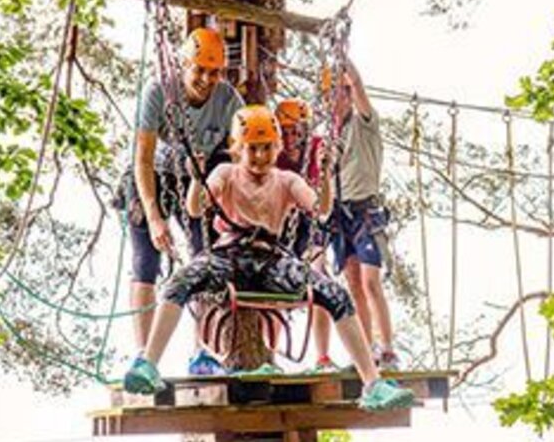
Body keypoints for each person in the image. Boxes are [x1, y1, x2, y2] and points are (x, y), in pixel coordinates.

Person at [123, 106, 414, 412]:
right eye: (252, 149)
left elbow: (321, 211)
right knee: (178, 282)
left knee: (335, 294)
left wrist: (326, 175)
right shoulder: (226, 173)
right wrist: (197, 179)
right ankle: (148, 362)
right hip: (228, 256)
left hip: (271, 260)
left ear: (276, 148)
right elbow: (196, 209)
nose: (260, 156)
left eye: (266, 148)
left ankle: (372, 383)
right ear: (238, 149)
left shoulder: (287, 180)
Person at [123, 27, 243, 375]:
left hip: (198, 178)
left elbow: (238, 157)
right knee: (146, 260)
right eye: (199, 70)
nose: (206, 80)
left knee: (204, 258)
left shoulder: (228, 100)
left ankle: (202, 350)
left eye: (214, 72)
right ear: (184, 65)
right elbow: (143, 158)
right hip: (154, 175)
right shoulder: (158, 92)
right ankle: (144, 356)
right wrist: (154, 216)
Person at [329, 60, 399, 370]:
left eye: (340, 94)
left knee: (371, 282)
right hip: (342, 214)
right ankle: (366, 349)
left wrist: (343, 60)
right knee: (354, 284)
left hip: (365, 210)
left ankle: (388, 349)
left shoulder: (365, 124)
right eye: (330, 97)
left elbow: (358, 86)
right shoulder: (331, 137)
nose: (335, 102)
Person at [274, 98, 336, 372]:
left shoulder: (316, 149)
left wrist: (326, 170)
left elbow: (324, 207)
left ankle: (322, 356)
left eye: (295, 132)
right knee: (273, 286)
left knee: (319, 279)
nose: (289, 139)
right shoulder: (271, 152)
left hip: (310, 223)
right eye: (284, 132)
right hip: (282, 224)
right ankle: (270, 354)